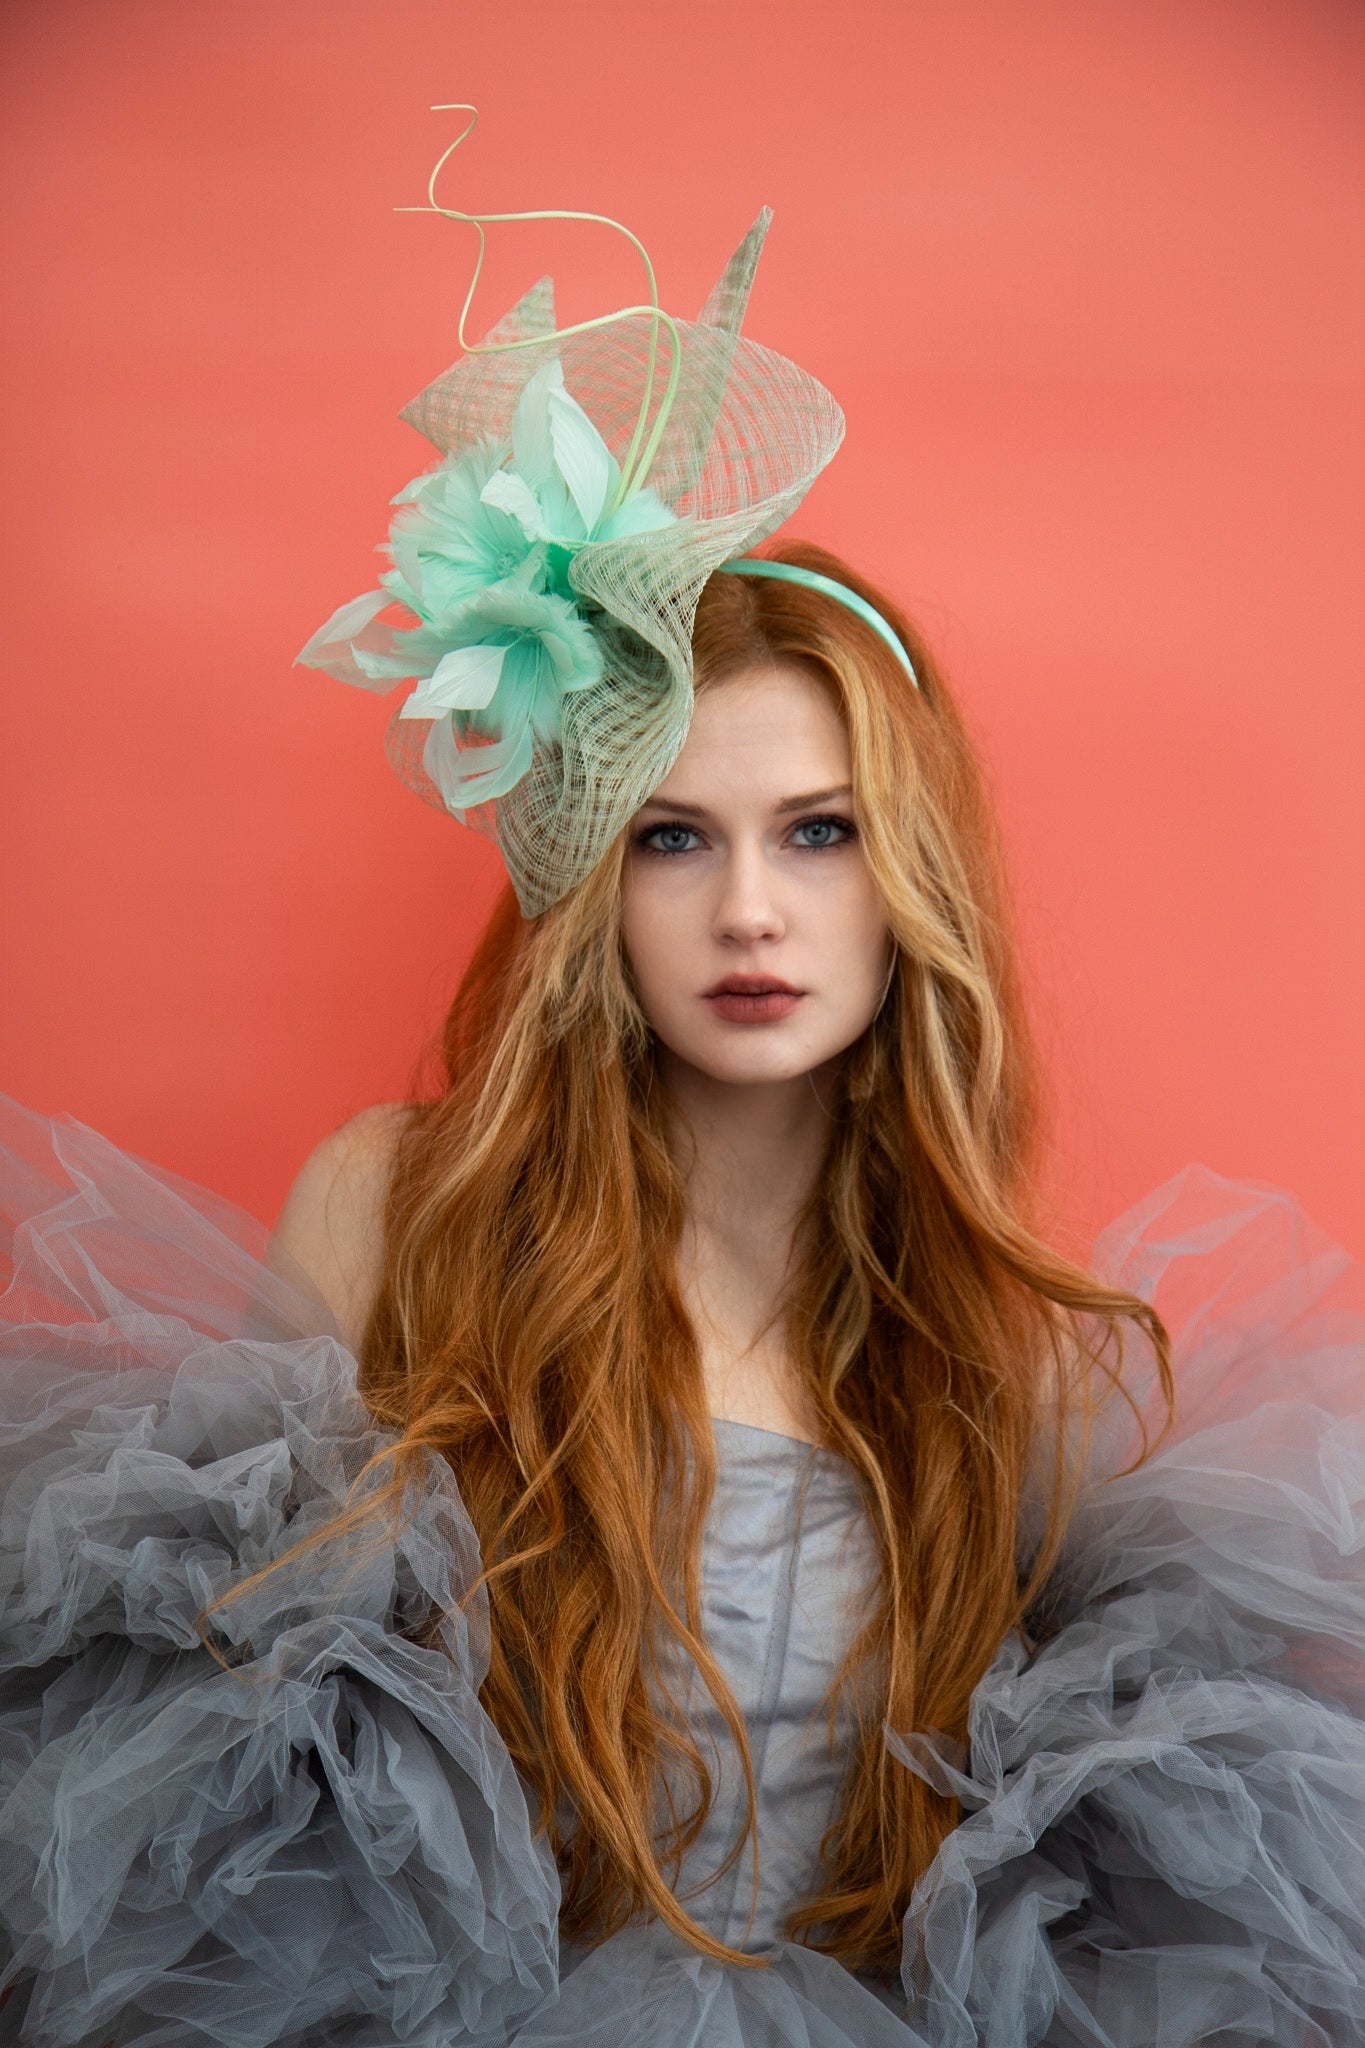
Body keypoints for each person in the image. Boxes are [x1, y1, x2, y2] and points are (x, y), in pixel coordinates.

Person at [1, 119, 1362, 2047]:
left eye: (816, 835)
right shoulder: (396, 1207)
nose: (749, 910)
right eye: (669, 839)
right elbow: (236, 1762)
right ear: (585, 889)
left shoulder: (1015, 1346)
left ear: (909, 885)